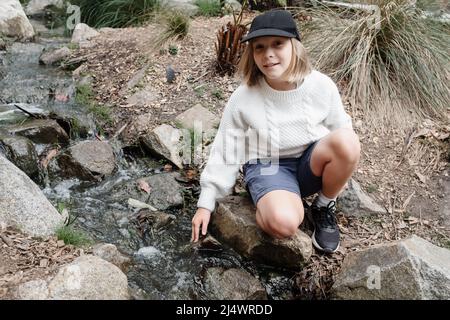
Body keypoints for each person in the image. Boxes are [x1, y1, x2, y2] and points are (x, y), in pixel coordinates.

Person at [191, 10, 360, 253]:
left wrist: (340, 170)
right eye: (259, 47)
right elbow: (226, 148)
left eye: (277, 44)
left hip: (309, 164)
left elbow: (341, 133)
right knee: (283, 224)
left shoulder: (321, 85)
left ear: (294, 45)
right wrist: (206, 203)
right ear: (253, 54)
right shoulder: (244, 97)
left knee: (347, 141)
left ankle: (323, 206)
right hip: (267, 165)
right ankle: (271, 199)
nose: (268, 54)